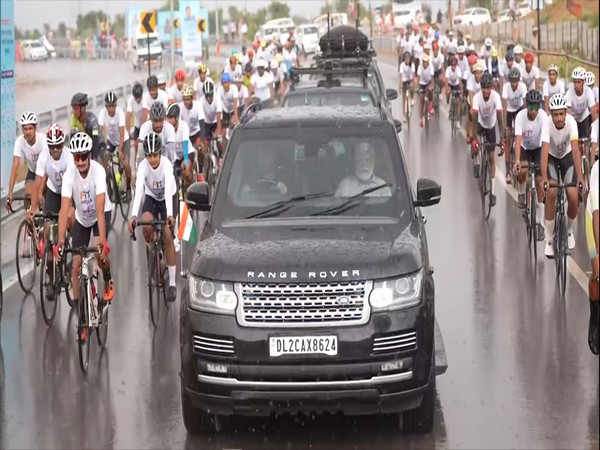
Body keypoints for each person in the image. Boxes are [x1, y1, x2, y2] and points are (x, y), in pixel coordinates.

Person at [55, 132, 114, 340]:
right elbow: (64, 210)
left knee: (99, 254)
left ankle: (107, 279)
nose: (79, 161)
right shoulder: (70, 175)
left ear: (89, 155)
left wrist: (103, 244)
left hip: (100, 214)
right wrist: (60, 242)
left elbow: (99, 209)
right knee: (76, 266)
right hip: (81, 218)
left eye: (83, 156)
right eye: (76, 157)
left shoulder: (98, 172)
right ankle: (82, 317)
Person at [128, 132, 177, 302]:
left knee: (168, 235)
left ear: (160, 153)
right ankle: (154, 250)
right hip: (151, 197)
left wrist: (169, 216)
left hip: (167, 198)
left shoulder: (167, 166)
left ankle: (172, 282)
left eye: (155, 155)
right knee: (147, 225)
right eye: (149, 156)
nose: (152, 160)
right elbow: (140, 191)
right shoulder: (143, 166)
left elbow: (169, 193)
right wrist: (134, 216)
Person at [540, 93, 587, 257]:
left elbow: (575, 150)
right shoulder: (546, 123)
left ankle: (568, 231)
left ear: (565, 113)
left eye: (561, 113)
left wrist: (581, 178)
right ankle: (549, 241)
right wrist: (544, 178)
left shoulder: (572, 123)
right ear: (551, 114)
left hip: (567, 158)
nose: (559, 118)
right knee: (552, 192)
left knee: (573, 195)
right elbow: (544, 150)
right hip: (552, 158)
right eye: (556, 114)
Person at [513, 90, 548, 240]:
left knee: (540, 182)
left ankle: (540, 223)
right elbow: (518, 139)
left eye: (536, 106)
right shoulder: (520, 117)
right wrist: (517, 161)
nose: (534, 110)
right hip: (525, 148)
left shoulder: (543, 117)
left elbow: (547, 142)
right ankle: (522, 193)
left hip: (538, 148)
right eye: (531, 106)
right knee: (522, 170)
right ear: (527, 105)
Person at [470, 72, 504, 206]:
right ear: (481, 88)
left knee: (491, 157)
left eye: (488, 88)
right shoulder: (477, 98)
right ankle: (477, 159)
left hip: (491, 126)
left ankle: (493, 192)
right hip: (479, 124)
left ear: (492, 88)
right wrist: (474, 139)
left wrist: (502, 140)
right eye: (483, 88)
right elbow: (473, 121)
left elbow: (500, 121)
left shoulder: (496, 97)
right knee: (477, 143)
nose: (486, 90)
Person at [5, 112, 49, 213]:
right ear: (22, 130)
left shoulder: (43, 141)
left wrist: (40, 192)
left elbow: (45, 170)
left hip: (46, 173)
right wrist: (10, 193)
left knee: (42, 201)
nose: (27, 132)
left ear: (35, 129)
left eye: (30, 128)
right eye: (25, 129)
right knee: (28, 196)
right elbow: (15, 167)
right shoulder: (19, 142)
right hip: (33, 172)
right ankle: (31, 224)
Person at [99, 91, 132, 195]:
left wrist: (121, 150)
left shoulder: (120, 113)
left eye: (113, 106)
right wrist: (104, 146)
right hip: (111, 141)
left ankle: (128, 188)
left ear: (116, 105)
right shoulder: (102, 113)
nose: (111, 109)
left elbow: (122, 134)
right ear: (106, 106)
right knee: (105, 157)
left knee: (125, 163)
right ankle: (109, 182)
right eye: (109, 106)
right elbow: (102, 131)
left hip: (123, 140)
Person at [502, 66, 527, 184]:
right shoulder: (506, 87)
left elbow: (526, 105)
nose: (514, 84)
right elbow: (504, 106)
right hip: (509, 111)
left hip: (520, 110)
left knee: (520, 136)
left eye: (516, 81)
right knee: (508, 138)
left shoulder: (522, 87)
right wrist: (505, 127)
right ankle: (507, 171)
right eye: (512, 81)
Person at [585, 160, 599, 354]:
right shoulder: (597, 169)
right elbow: (597, 215)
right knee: (597, 269)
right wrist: (598, 253)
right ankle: (595, 318)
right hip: (594, 217)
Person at [138, 101, 177, 166]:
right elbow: (141, 153)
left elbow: (170, 153)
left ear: (164, 118)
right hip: (151, 162)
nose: (158, 124)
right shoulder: (144, 128)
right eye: (155, 121)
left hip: (166, 161)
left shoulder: (170, 128)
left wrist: (170, 169)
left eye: (160, 120)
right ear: (151, 119)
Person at [166, 103, 195, 190]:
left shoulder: (184, 126)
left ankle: (191, 188)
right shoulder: (167, 129)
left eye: (171, 117)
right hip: (176, 157)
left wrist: (186, 159)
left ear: (177, 118)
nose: (169, 120)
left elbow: (185, 143)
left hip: (188, 153)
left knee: (186, 172)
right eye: (168, 117)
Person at [70, 93, 103, 161]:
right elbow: (72, 138)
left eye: (76, 108)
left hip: (98, 143)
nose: (73, 112)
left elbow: (95, 140)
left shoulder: (92, 120)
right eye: (73, 108)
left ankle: (106, 171)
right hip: (87, 143)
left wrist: (94, 158)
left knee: (98, 160)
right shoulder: (74, 118)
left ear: (83, 108)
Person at [416, 53, 435, 128]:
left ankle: (430, 105)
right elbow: (418, 77)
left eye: (426, 62)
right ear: (422, 62)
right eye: (424, 62)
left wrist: (432, 86)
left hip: (429, 82)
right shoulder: (420, 67)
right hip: (422, 84)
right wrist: (417, 87)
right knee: (421, 99)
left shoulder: (431, 67)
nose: (425, 63)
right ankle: (421, 118)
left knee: (430, 91)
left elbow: (432, 79)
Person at [126, 82, 145, 153]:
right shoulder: (131, 100)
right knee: (136, 144)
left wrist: (143, 128)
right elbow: (128, 116)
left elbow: (145, 114)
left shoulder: (145, 98)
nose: (138, 100)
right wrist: (127, 132)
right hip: (137, 125)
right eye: (136, 98)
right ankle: (137, 160)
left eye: (139, 97)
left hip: (145, 123)